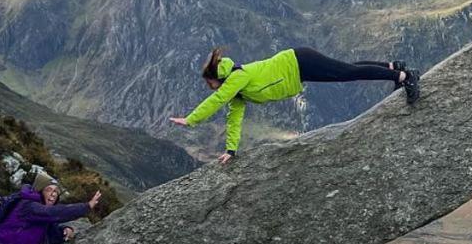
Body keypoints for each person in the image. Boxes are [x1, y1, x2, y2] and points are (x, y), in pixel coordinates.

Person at [168, 47, 419, 162]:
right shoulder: (237, 90)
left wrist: (191, 119)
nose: (212, 89)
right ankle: (393, 67)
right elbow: (233, 118)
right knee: (345, 70)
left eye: (211, 84)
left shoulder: (237, 77)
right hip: (298, 69)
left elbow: (217, 99)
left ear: (217, 79)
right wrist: (231, 151)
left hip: (299, 61)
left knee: (346, 73)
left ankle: (404, 77)